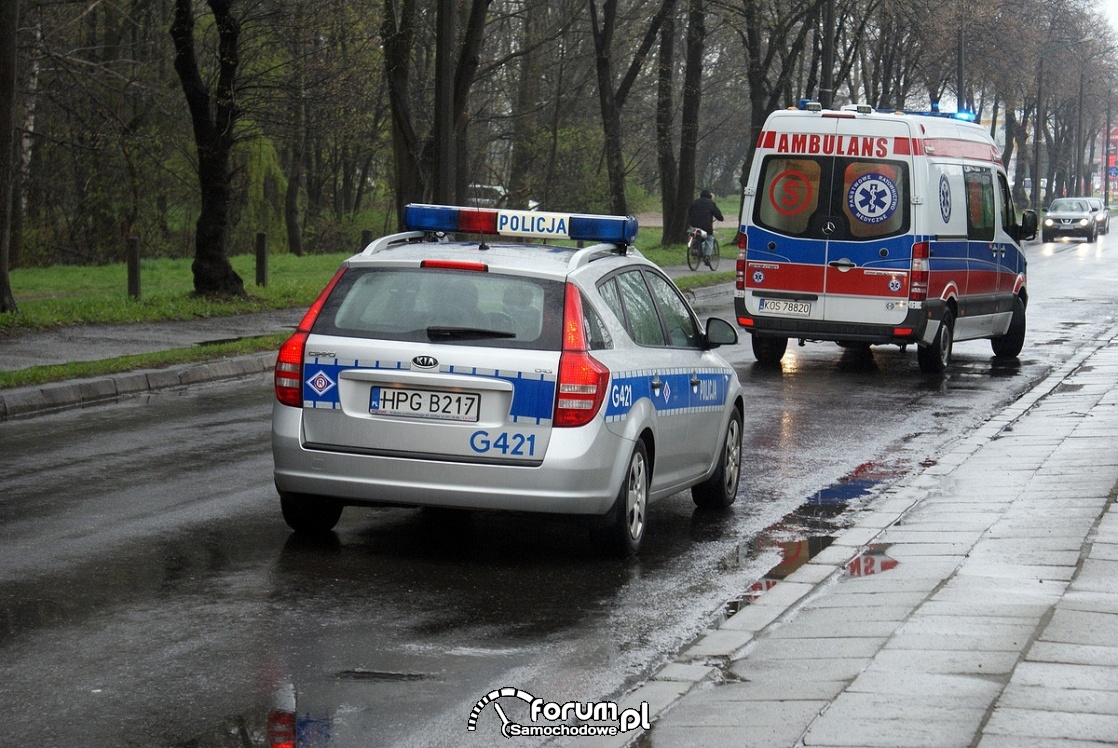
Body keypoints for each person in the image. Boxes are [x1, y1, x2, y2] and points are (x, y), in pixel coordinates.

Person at [687, 189, 723, 267]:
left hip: (693, 225)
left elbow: (689, 212)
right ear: (709, 196)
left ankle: (695, 247)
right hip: (706, 226)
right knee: (709, 239)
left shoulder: (695, 202)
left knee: (695, 234)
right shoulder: (711, 203)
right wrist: (720, 218)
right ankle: (707, 256)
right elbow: (717, 214)